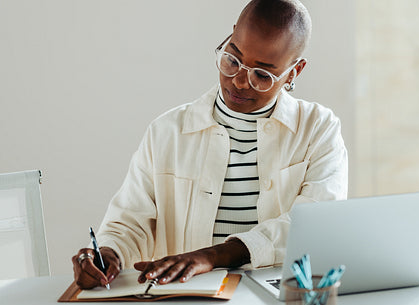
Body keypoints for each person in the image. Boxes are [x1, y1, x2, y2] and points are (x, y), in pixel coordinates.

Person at [72, 0, 348, 289]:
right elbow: (129, 221)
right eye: (232, 59)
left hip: (277, 302)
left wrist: (214, 256)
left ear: (294, 72)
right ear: (230, 38)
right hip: (188, 302)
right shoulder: (167, 131)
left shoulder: (318, 128)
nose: (240, 81)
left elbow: (315, 225)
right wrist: (107, 254)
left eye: (262, 74)